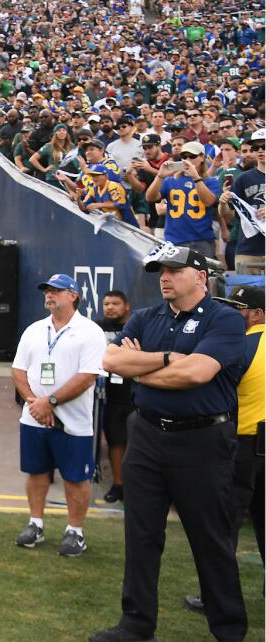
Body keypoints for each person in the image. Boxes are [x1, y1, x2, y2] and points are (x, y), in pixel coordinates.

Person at [90, 244, 252, 642]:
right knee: (141, 534)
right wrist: (164, 358)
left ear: (200, 276)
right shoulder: (146, 316)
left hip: (202, 441)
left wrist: (144, 367)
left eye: (174, 270)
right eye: (160, 270)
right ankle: (137, 622)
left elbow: (197, 373)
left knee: (211, 540)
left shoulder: (225, 320)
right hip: (146, 434)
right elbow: (112, 360)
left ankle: (230, 633)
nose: (164, 277)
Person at [182, 284, 265, 616]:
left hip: (243, 446)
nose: (233, 314)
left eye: (239, 308)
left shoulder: (240, 345)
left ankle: (213, 597)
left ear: (257, 314)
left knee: (223, 526)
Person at [11, 274, 107, 556]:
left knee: (76, 477)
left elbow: (88, 376)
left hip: (73, 421)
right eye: (47, 291)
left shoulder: (90, 331)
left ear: (73, 295)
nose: (49, 295)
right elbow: (18, 371)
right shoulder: (34, 330)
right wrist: (34, 403)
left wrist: (50, 402)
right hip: (34, 417)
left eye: (56, 291)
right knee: (36, 471)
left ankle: (75, 531)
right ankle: (35, 523)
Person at [145, 140, 221, 257]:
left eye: (192, 156)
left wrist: (195, 177)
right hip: (175, 240)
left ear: (202, 158)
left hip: (202, 239)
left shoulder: (210, 182)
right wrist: (160, 177)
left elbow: (209, 201)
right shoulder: (170, 181)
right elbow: (150, 197)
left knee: (203, 274)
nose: (188, 160)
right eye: (184, 157)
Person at [98, 290, 134, 503]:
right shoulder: (96, 328)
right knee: (115, 441)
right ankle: (118, 485)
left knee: (137, 443)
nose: (110, 307)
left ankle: (136, 486)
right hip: (110, 396)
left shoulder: (137, 327)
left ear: (126, 306)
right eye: (106, 303)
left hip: (135, 394)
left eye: (115, 303)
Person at [219, 129, 264, 273]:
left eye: (265, 146)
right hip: (248, 249)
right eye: (256, 148)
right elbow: (228, 216)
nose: (260, 150)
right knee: (246, 294)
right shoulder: (243, 178)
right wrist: (223, 202)